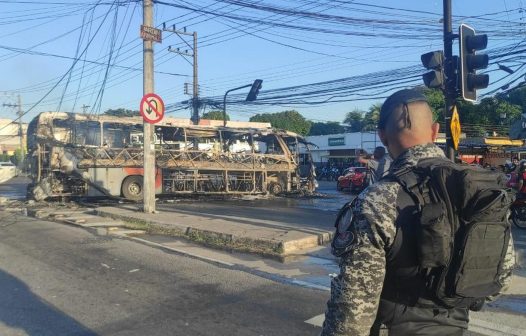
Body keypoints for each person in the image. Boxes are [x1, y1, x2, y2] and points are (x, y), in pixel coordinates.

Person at [320, 89, 515, 336]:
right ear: (434, 131)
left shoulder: (379, 200)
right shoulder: (480, 189)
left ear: (382, 136)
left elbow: (353, 311)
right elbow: (501, 277)